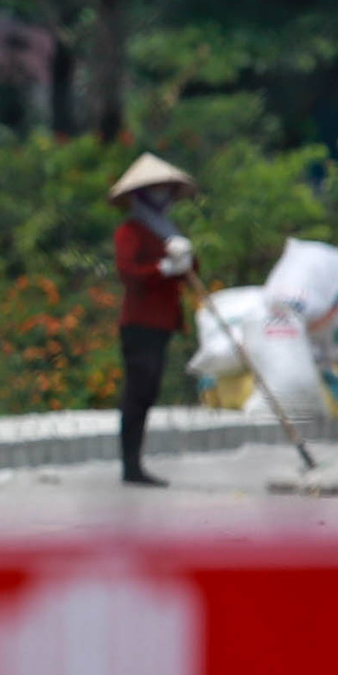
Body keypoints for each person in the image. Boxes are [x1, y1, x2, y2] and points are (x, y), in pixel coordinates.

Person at [107, 153, 199, 488]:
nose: (162, 194)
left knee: (149, 391)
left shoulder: (168, 232)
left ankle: (136, 463)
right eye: (156, 189)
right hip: (139, 323)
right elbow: (128, 273)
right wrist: (163, 268)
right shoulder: (129, 231)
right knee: (138, 392)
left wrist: (186, 260)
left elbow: (190, 274)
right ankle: (131, 465)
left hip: (162, 323)